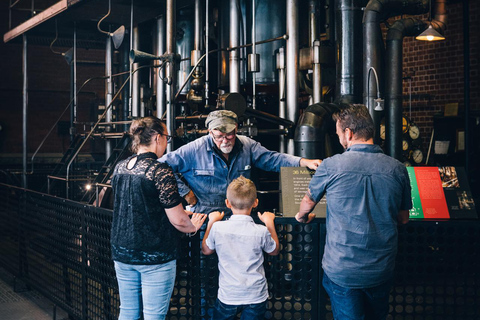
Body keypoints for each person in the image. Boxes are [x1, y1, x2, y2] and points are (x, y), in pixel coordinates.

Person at [295, 104, 411, 320]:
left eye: (339, 133)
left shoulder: (331, 166)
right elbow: (403, 218)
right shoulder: (398, 169)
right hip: (381, 268)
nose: (339, 138)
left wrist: (302, 217)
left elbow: (307, 202)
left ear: (348, 133)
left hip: (343, 270)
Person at [111, 116, 207, 320]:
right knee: (154, 315)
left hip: (122, 251)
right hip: (154, 256)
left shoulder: (120, 167)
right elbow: (178, 220)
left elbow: (138, 204)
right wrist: (192, 225)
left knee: (128, 311)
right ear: (157, 137)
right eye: (167, 137)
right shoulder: (159, 170)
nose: (166, 143)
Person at [159, 109, 322, 215]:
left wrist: (302, 162)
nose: (224, 140)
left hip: (241, 217)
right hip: (207, 219)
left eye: (229, 134)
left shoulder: (247, 145)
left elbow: (272, 159)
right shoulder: (194, 150)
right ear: (209, 132)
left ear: (236, 128)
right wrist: (185, 193)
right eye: (218, 136)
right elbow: (161, 167)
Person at [201, 176, 279, 320]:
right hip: (255, 295)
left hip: (228, 294)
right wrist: (269, 223)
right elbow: (273, 250)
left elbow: (206, 250)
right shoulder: (260, 230)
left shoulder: (218, 228)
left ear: (227, 203)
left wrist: (211, 222)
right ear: (255, 203)